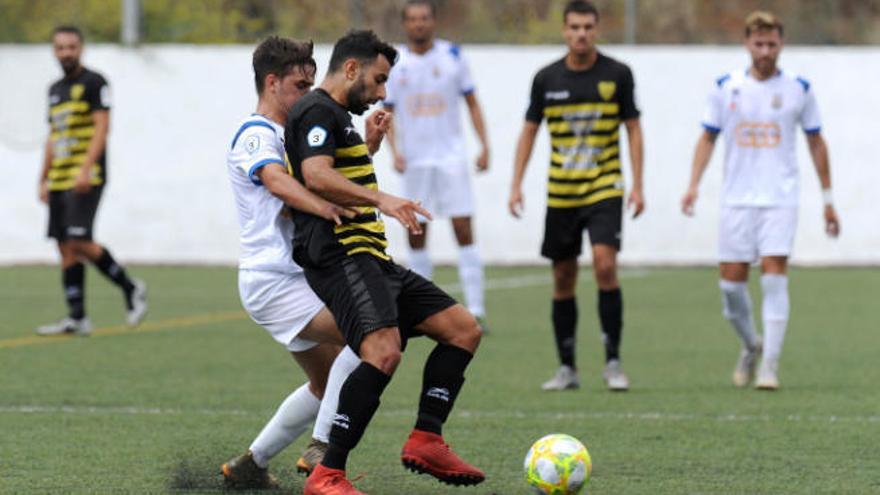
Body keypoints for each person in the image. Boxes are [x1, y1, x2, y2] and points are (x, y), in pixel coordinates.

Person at [284, 30, 484, 495]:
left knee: (462, 329)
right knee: (383, 351)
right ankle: (327, 471)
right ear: (350, 69)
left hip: (372, 256)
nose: (381, 91)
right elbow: (315, 175)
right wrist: (383, 198)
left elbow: (334, 172)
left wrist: (369, 147)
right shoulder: (315, 109)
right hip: (341, 255)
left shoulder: (340, 118)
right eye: (377, 80)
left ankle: (426, 438)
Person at [221, 36, 373, 488]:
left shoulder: (288, 135)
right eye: (300, 85)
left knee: (327, 385)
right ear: (272, 83)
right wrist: (322, 207)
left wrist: (370, 147)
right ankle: (322, 449)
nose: (308, 94)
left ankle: (250, 465)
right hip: (273, 280)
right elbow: (277, 183)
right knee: (368, 333)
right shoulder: (256, 134)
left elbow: (319, 181)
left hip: (296, 277)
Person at [681, 11, 840, 390]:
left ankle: (769, 365)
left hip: (780, 199)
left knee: (773, 277)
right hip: (737, 199)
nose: (765, 51)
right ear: (747, 45)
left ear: (781, 44)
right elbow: (708, 137)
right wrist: (693, 185)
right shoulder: (726, 87)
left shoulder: (799, 88)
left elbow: (816, 142)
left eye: (772, 44)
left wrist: (828, 199)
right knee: (731, 287)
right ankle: (751, 344)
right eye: (759, 44)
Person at [508, 0, 644, 392]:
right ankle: (567, 367)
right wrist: (516, 183)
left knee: (604, 265)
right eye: (574, 27)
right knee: (563, 276)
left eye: (588, 26)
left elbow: (633, 128)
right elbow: (530, 131)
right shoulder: (546, 78)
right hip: (562, 193)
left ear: (597, 29)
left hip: (605, 187)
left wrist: (638, 184)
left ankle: (613, 362)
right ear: (565, 31)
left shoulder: (618, 74)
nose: (581, 33)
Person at [383, 0, 491, 330]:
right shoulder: (395, 64)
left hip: (451, 159)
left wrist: (484, 145)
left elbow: (472, 103)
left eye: (424, 18)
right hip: (416, 163)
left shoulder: (453, 57)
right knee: (417, 232)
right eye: (413, 19)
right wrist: (395, 151)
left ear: (433, 21)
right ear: (405, 24)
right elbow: (387, 113)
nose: (419, 24)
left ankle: (476, 308)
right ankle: (419, 309)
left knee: (462, 228)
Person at [36, 25, 147, 336]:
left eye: (71, 47)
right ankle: (77, 317)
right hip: (59, 177)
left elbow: (102, 128)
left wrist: (86, 168)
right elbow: (53, 136)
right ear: (54, 51)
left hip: (86, 176)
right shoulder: (54, 89)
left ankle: (130, 287)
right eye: (60, 48)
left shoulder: (94, 82)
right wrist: (43, 177)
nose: (66, 53)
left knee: (79, 240)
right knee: (65, 246)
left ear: (81, 48)